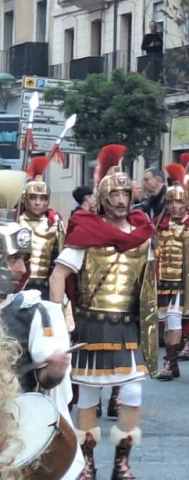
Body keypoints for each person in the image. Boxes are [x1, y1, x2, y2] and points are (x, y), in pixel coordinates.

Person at [49, 145, 154, 479]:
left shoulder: (143, 235)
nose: (121, 200)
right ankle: (87, 462)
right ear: (104, 198)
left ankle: (122, 462)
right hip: (92, 323)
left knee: (133, 392)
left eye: (126, 194)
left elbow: (147, 284)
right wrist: (59, 319)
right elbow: (58, 276)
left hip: (127, 325)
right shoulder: (86, 232)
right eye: (115, 195)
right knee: (89, 396)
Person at [1, 181, 84, 480]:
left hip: (10, 431)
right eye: (13, 259)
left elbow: (45, 380)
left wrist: (56, 370)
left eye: (24, 260)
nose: (23, 269)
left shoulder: (32, 310)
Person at [152, 164, 189, 381]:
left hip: (182, 284)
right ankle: (171, 363)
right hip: (163, 281)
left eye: (179, 202)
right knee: (163, 322)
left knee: (174, 321)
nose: (174, 206)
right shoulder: (159, 225)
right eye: (171, 202)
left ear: (187, 202)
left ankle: (169, 363)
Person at [16, 157, 65, 295]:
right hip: (17, 285)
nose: (38, 203)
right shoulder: (16, 222)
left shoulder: (55, 224)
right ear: (25, 199)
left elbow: (59, 261)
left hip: (44, 286)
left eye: (42, 198)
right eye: (33, 197)